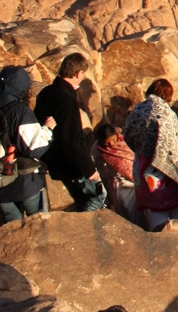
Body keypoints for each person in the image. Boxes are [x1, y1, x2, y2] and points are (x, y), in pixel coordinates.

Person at [124, 78, 178, 229]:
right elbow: (171, 147)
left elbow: (127, 134)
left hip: (143, 167)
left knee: (155, 213)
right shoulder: (166, 113)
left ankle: (159, 246)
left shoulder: (137, 110)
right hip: (166, 170)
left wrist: (141, 150)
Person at [35, 52, 106, 212]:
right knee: (97, 197)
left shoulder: (47, 92)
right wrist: (88, 169)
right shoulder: (66, 98)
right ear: (79, 73)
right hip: (69, 163)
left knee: (82, 199)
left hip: (52, 159)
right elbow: (72, 139)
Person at [0, 65, 53, 223]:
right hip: (24, 182)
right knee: (39, 225)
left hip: (1, 185)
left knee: (13, 230)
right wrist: (47, 130)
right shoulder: (20, 111)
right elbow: (34, 148)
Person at [91, 122, 138, 223]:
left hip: (137, 182)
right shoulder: (97, 150)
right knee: (129, 215)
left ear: (116, 135)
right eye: (107, 143)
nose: (111, 144)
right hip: (119, 187)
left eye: (113, 140)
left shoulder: (126, 141)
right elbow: (95, 167)